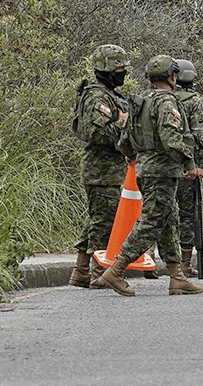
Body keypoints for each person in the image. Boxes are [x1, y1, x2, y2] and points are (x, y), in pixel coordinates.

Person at [94, 55, 202, 296]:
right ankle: (116, 270)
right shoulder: (167, 102)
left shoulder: (140, 100)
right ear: (172, 76)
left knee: (168, 221)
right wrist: (189, 163)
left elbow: (124, 140)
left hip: (144, 169)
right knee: (152, 222)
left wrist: (133, 155)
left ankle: (176, 277)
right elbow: (171, 139)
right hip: (162, 171)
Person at [68, 45, 130, 289]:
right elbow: (96, 133)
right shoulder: (97, 97)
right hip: (102, 172)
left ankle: (81, 271)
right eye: (120, 69)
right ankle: (99, 273)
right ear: (108, 70)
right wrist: (123, 123)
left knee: (98, 219)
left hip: (109, 171)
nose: (123, 73)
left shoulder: (108, 95)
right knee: (105, 223)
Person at [173, 59, 203, 277]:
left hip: (161, 165)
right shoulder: (193, 102)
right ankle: (185, 264)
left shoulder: (160, 98)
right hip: (187, 166)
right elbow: (199, 135)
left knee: (158, 213)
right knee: (187, 214)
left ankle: (150, 258)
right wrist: (200, 164)